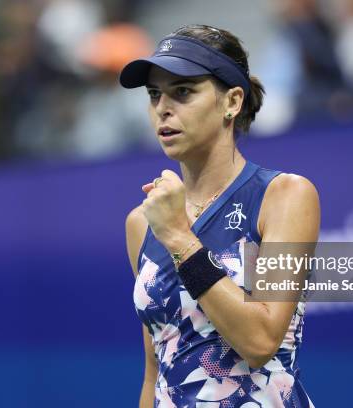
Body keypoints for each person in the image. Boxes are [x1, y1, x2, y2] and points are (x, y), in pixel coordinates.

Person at [122, 24, 320, 407]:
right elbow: (156, 369)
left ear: (231, 101)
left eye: (183, 91)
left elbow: (259, 341)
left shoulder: (285, 196)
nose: (162, 107)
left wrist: (179, 237)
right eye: (154, 94)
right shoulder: (143, 222)